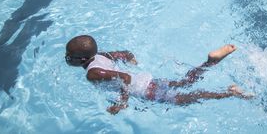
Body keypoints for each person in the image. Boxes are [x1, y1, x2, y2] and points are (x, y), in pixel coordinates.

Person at [65, 35, 253, 114]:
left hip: (143, 90)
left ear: (81, 60)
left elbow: (126, 79)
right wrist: (132, 61)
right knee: (184, 83)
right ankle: (210, 62)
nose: (67, 58)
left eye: (69, 56)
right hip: (147, 80)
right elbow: (124, 53)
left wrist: (122, 102)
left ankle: (231, 92)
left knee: (187, 98)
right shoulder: (100, 55)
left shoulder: (92, 73)